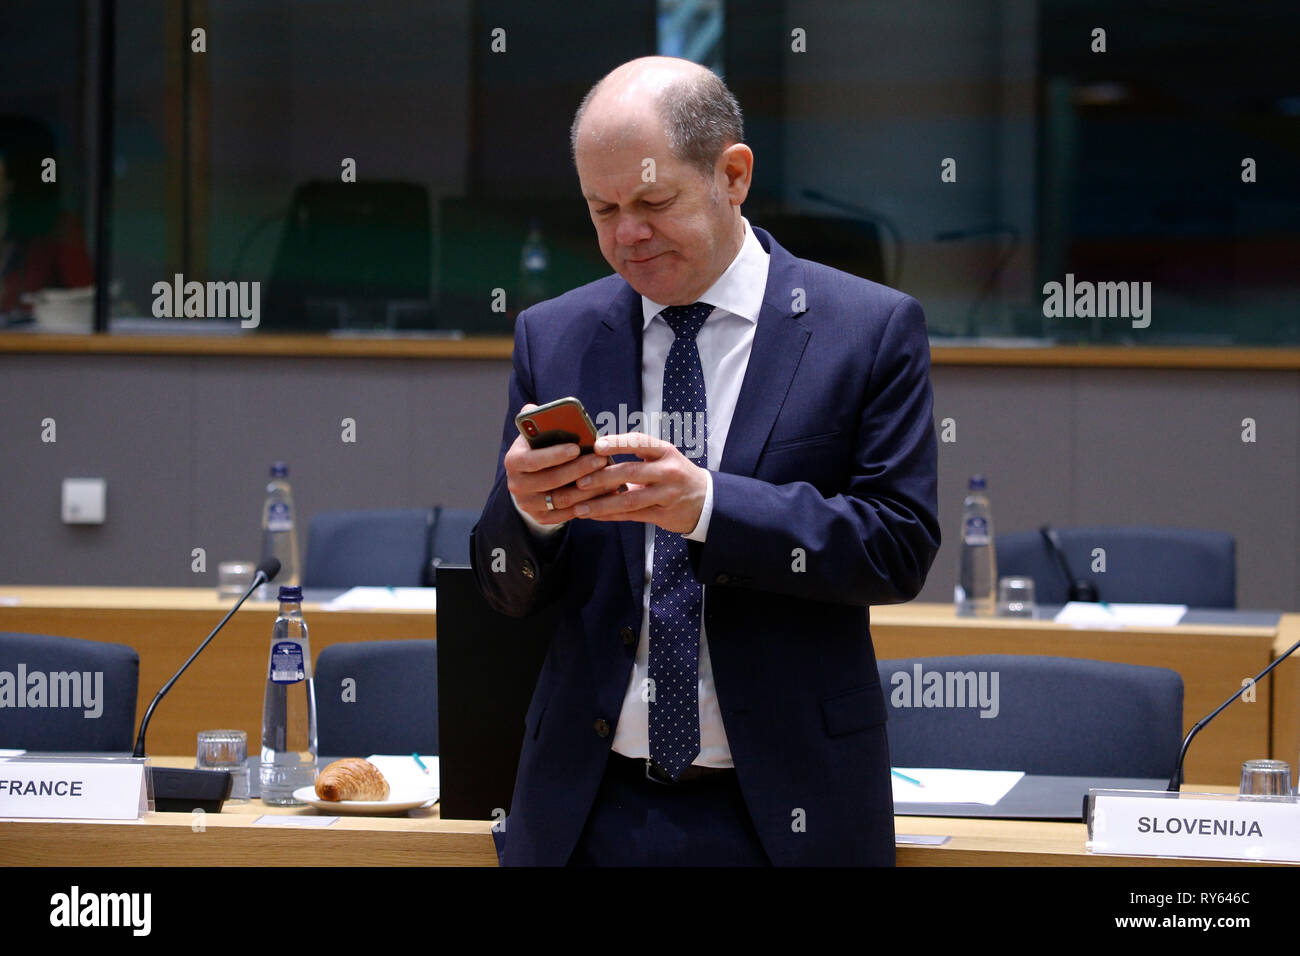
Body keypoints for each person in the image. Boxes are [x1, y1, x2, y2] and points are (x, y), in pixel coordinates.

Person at [471, 56, 940, 866]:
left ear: (733, 174)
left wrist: (710, 507)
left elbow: (897, 550)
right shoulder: (556, 335)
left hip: (787, 810)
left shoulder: (865, 329)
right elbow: (504, 589)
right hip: (587, 806)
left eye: (653, 202)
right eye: (602, 208)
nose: (626, 236)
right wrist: (529, 515)